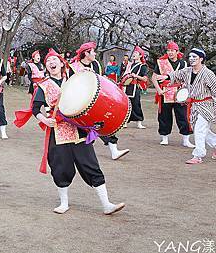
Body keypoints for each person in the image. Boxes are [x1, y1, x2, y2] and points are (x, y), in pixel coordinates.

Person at [15, 49, 125, 215]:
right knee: (61, 168)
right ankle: (64, 203)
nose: (52, 63)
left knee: (91, 165)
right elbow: (36, 108)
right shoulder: (43, 86)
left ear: (61, 63)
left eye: (55, 60)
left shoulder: (75, 79)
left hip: (79, 129)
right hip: (58, 133)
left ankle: (106, 204)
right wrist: (45, 120)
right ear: (46, 66)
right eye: (48, 61)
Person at [70, 42, 130, 160]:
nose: (95, 54)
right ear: (86, 53)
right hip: (80, 103)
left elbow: (100, 81)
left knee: (102, 123)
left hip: (96, 101)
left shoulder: (96, 64)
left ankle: (114, 150)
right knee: (85, 128)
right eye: (93, 52)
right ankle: (83, 155)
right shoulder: (73, 67)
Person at [156, 48, 216, 164]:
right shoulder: (187, 71)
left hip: (206, 105)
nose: (192, 59)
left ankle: (198, 155)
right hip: (194, 106)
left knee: (199, 130)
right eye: (190, 57)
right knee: (202, 130)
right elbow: (177, 74)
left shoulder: (208, 74)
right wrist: (167, 77)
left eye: (195, 57)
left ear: (201, 59)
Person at [151, 41, 194, 147]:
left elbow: (188, 78)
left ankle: (186, 139)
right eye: (168, 50)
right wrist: (159, 90)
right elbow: (154, 77)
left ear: (177, 51)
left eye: (172, 50)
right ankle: (164, 137)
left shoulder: (183, 63)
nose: (170, 52)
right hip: (165, 91)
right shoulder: (161, 62)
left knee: (183, 115)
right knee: (164, 116)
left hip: (180, 92)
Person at [121, 46, 149, 129]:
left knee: (136, 104)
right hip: (127, 87)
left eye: (136, 53)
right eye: (134, 53)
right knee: (127, 104)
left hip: (135, 87)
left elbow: (145, 78)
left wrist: (136, 76)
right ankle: (125, 121)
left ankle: (139, 122)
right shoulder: (130, 65)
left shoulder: (142, 66)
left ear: (140, 56)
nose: (134, 54)